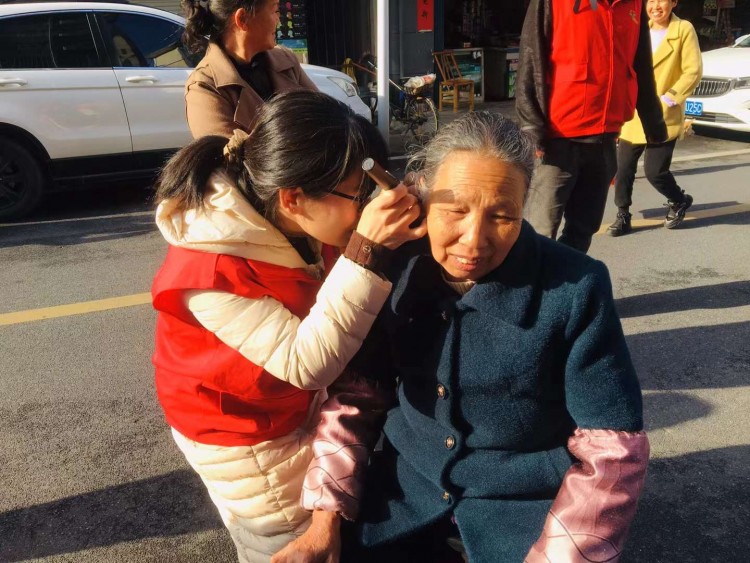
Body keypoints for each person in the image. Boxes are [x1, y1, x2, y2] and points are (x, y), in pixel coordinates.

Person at [301, 112, 649, 563]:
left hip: (527, 516)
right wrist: (324, 519)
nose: (474, 240)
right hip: (402, 503)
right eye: (455, 210)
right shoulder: (395, 268)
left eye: (502, 215)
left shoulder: (576, 286)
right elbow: (356, 398)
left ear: (523, 205)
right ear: (422, 197)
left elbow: (612, 450)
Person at [151, 91, 425, 563]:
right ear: (293, 198)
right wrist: (367, 249)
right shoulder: (209, 267)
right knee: (289, 542)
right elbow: (306, 364)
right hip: (243, 435)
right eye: (358, 193)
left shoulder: (290, 219)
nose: (368, 205)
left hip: (283, 407)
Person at [517, 0, 669, 253]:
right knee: (540, 231)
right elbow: (530, 58)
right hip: (558, 140)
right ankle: (533, 279)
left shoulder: (632, 4)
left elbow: (641, 64)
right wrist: (531, 127)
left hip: (605, 139)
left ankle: (567, 278)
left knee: (584, 229)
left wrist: (654, 122)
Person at [607, 0, 703, 236]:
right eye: (650, 1)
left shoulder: (683, 29)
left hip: (663, 113)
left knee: (655, 171)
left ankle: (679, 199)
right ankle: (623, 214)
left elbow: (693, 70)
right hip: (634, 113)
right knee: (623, 169)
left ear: (673, 3)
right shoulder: (639, 27)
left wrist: (671, 97)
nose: (655, 6)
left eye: (662, 0)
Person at [181, 0, 317, 138]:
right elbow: (225, 150)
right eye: (274, 11)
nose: (278, 20)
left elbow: (322, 116)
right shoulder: (204, 86)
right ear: (242, 19)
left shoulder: (286, 60)